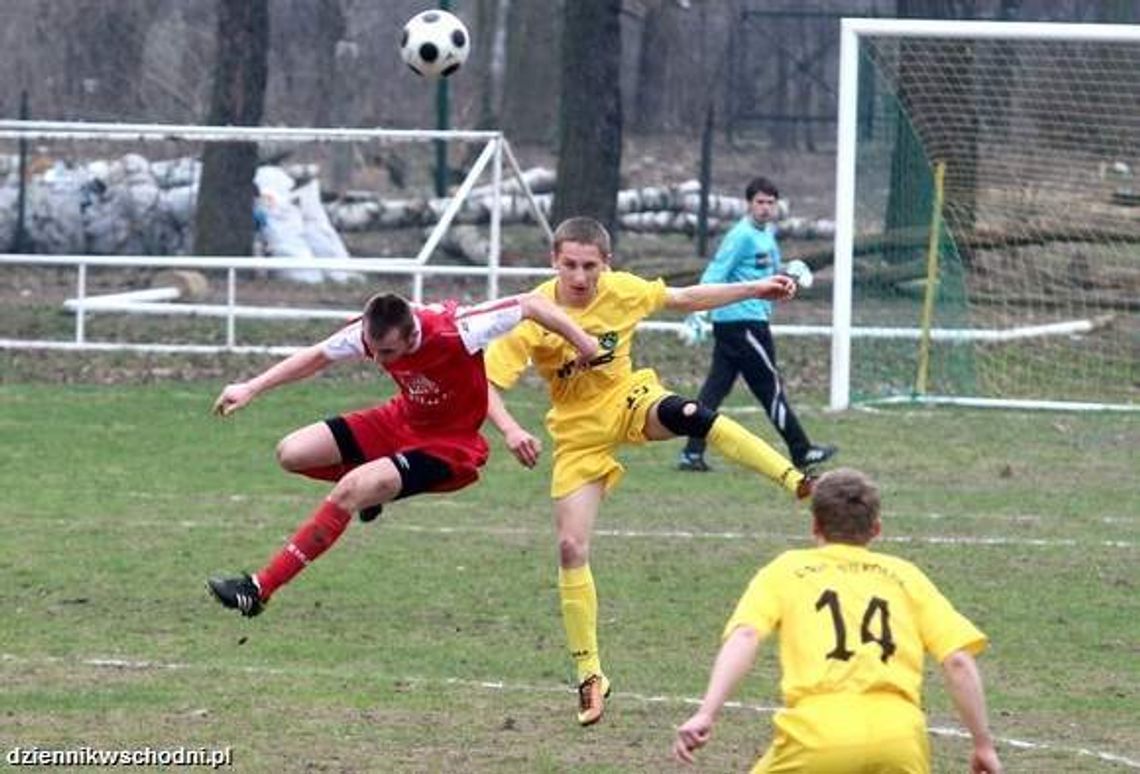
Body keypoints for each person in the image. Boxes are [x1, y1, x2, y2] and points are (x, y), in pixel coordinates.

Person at [483, 216, 816, 727]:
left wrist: (757, 287)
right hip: (577, 436)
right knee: (571, 548)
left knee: (691, 415)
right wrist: (508, 429)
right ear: (554, 261)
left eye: (589, 265)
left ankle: (793, 478)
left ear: (606, 264)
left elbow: (685, 299)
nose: (579, 275)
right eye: (569, 264)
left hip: (631, 400)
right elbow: (486, 383)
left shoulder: (623, 291)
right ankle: (590, 675)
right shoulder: (532, 313)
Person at [205, 290, 598, 618]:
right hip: (399, 421)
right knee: (292, 452)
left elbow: (532, 303)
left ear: (412, 337)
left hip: (449, 445)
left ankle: (259, 589)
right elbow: (317, 356)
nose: (377, 360)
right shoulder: (368, 335)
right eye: (372, 350)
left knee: (349, 490)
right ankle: (377, 487)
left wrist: (586, 344)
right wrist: (252, 387)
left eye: (387, 352)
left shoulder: (458, 329)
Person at [673, 468, 1002, 774]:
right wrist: (983, 743)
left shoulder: (786, 570)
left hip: (817, 733)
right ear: (876, 529)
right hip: (900, 737)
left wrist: (707, 712)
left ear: (815, 525)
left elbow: (745, 636)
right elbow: (958, 661)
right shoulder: (906, 576)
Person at [677, 175, 836, 473]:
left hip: (745, 322)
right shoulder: (741, 236)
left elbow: (765, 272)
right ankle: (802, 451)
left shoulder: (766, 234)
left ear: (777, 206)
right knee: (769, 388)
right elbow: (716, 272)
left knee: (715, 389)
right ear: (749, 204)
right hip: (743, 324)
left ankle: (691, 452)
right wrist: (697, 310)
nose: (765, 208)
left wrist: (790, 271)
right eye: (759, 202)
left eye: (770, 203)